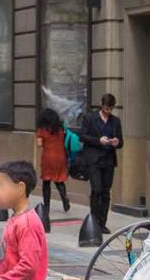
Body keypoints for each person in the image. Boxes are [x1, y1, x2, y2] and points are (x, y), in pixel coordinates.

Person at [79, 93, 122, 234]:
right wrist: (98, 140)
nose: (108, 111)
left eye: (110, 109)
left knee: (106, 192)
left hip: (108, 160)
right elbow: (82, 136)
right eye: (106, 108)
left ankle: (102, 223)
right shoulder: (90, 118)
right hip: (94, 159)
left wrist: (116, 142)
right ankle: (94, 220)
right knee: (96, 189)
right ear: (102, 105)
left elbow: (121, 142)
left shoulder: (115, 121)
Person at [35, 108, 71, 213]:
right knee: (59, 180)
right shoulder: (60, 129)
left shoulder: (42, 130)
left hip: (48, 158)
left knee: (46, 181)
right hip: (61, 157)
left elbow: (39, 144)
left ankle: (46, 206)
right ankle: (64, 197)